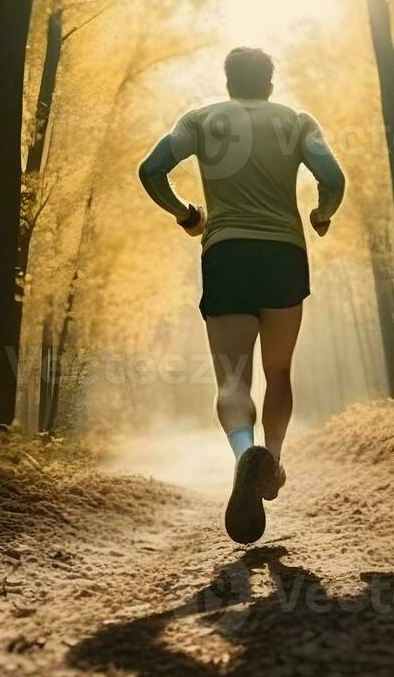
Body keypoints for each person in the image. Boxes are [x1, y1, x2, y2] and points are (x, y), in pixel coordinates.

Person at [138, 47, 345, 544]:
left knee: (233, 381)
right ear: (270, 84)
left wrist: (188, 215)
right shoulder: (297, 122)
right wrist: (320, 216)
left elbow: (150, 170)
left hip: (226, 253)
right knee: (278, 373)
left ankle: (242, 455)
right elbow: (333, 180)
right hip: (283, 255)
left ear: (229, 82)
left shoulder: (200, 120)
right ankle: (270, 462)